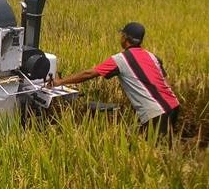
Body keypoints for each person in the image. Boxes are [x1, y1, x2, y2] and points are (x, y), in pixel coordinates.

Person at [50, 22, 180, 138]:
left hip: (155, 112)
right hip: (173, 105)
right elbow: (164, 82)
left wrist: (60, 82)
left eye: (122, 35)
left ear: (125, 38)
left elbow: (89, 73)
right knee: (161, 145)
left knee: (150, 153)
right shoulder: (153, 56)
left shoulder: (121, 59)